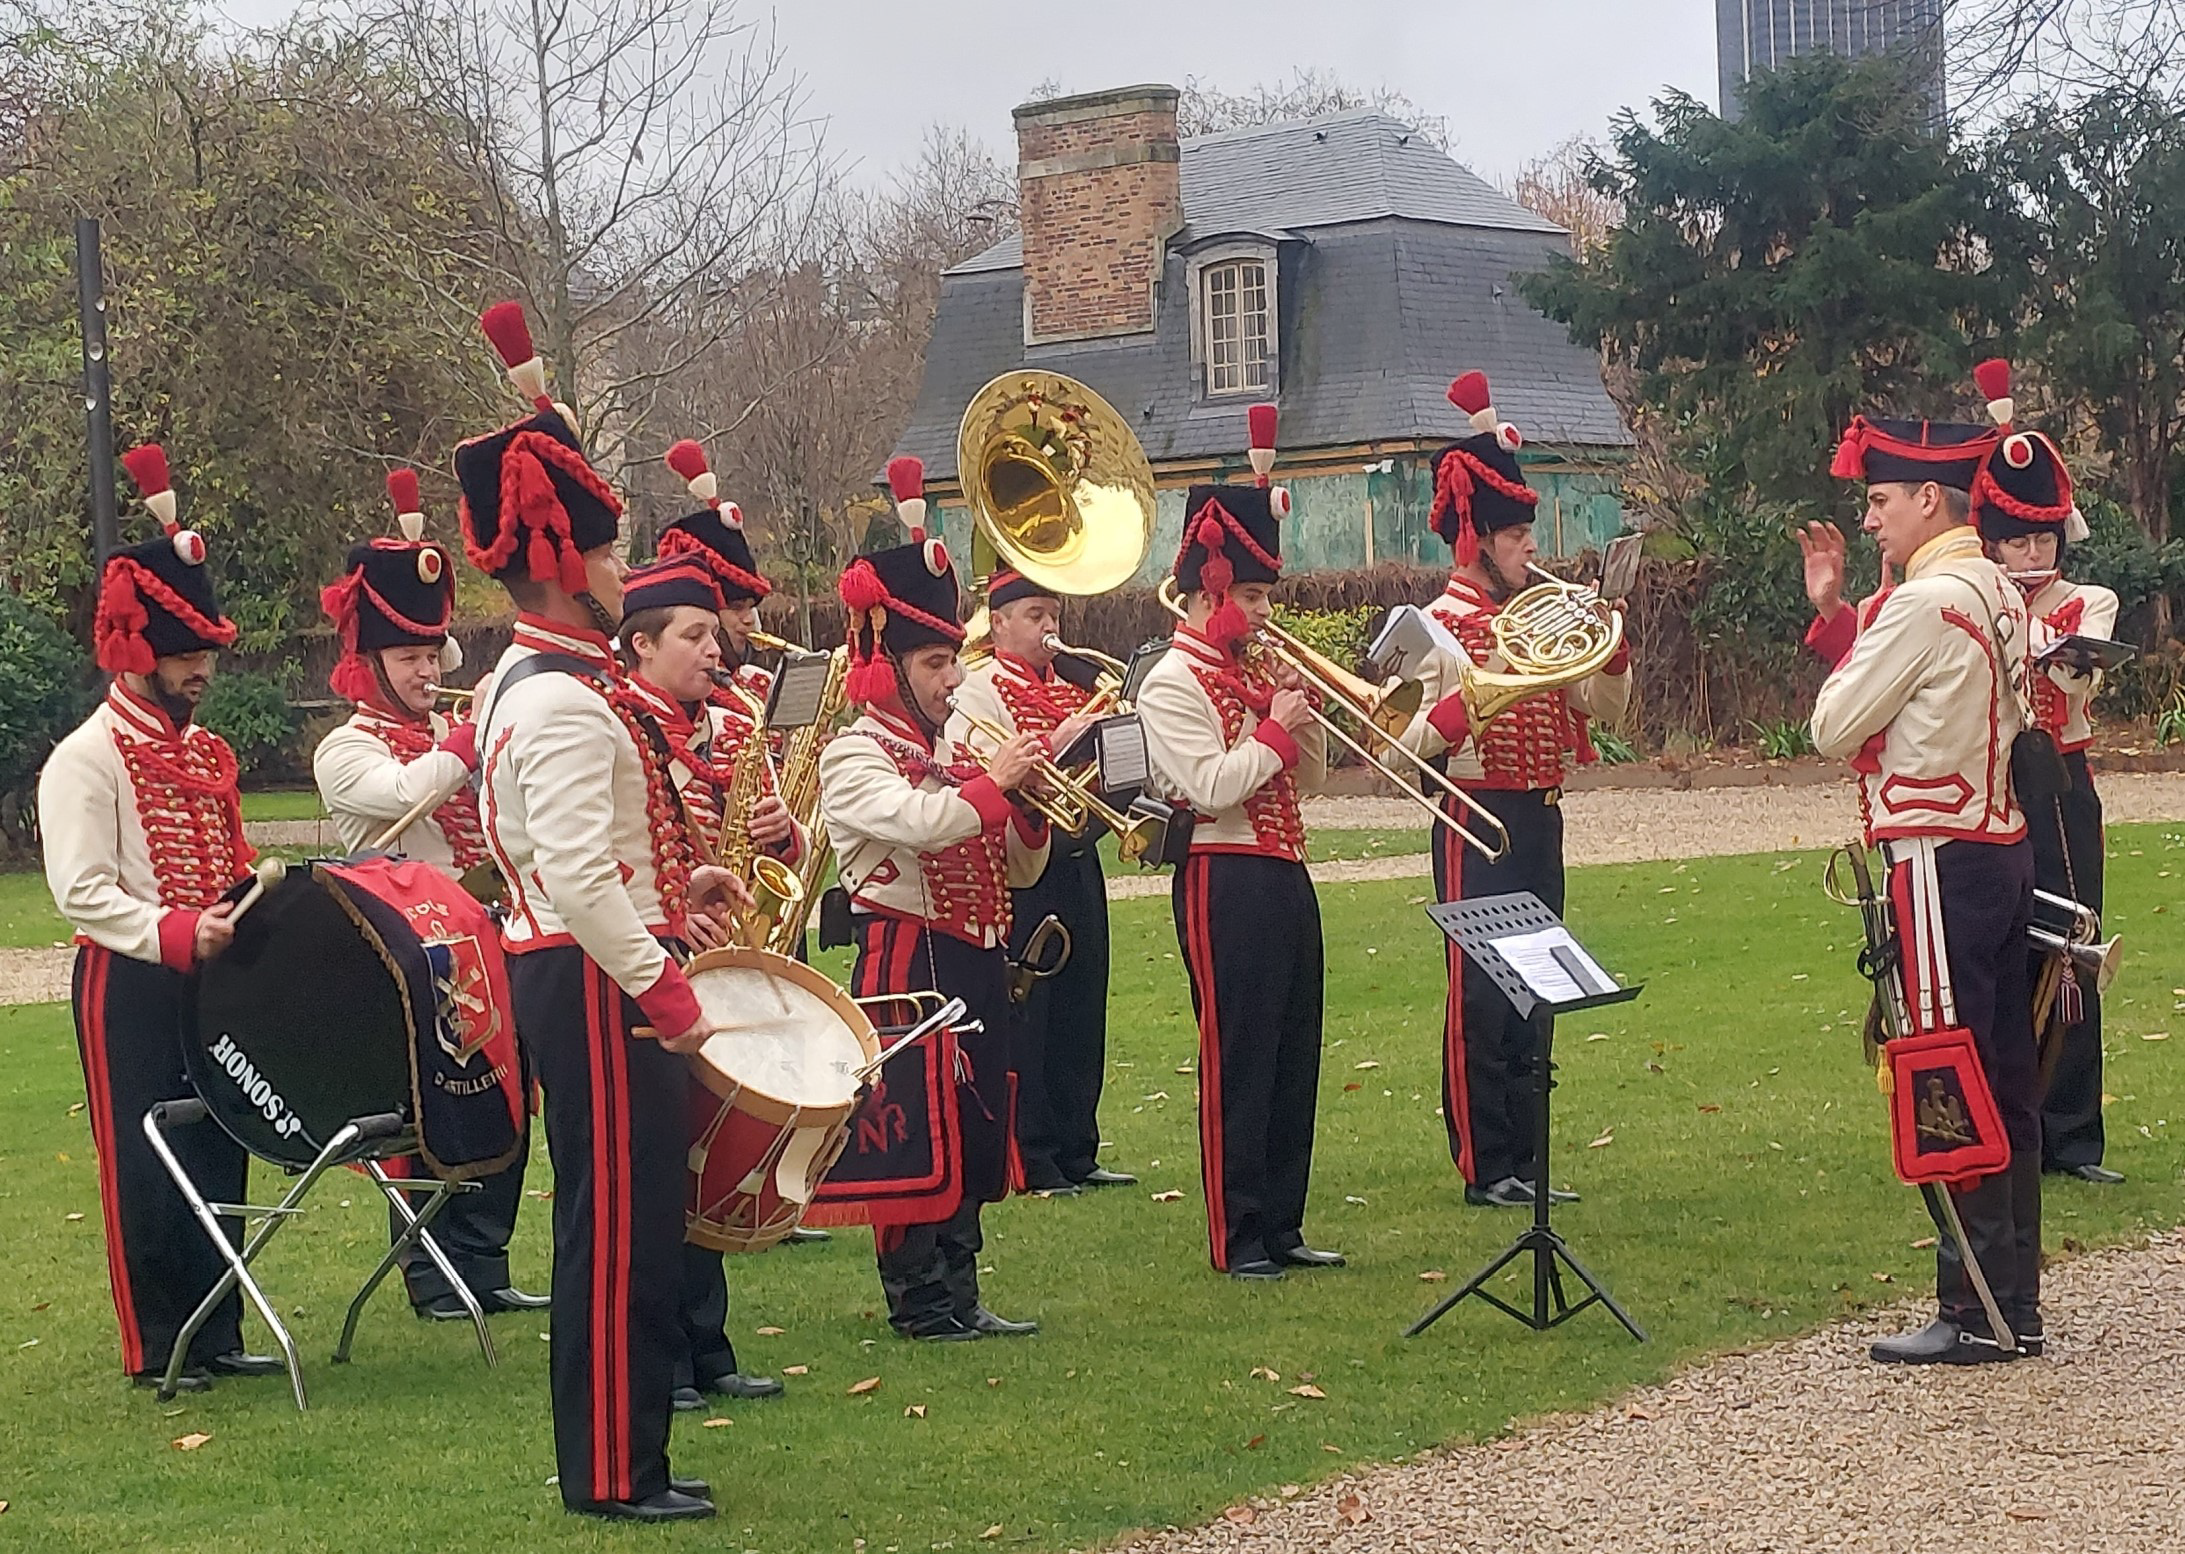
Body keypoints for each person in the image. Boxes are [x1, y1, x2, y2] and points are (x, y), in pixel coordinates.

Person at [457, 301, 747, 1521]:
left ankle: (623, 1460)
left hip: (573, 962)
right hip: (590, 979)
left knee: (616, 1222)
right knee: (618, 1228)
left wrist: (677, 890)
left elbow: (565, 855)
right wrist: (669, 991)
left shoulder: (531, 683)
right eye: (614, 559)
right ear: (566, 564)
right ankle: (617, 1475)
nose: (628, 578)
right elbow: (573, 876)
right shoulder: (567, 699)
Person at [38, 443, 281, 1391]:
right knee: (146, 1162)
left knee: (220, 1147)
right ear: (137, 649)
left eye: (206, 651)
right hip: (129, 976)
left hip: (214, 970)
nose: (201, 669)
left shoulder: (204, 747)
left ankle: (215, 1335)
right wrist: (174, 931)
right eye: (185, 652)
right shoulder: (85, 759)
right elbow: (82, 888)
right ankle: (157, 1349)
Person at [1807, 389, 2042, 1365]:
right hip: (1997, 850)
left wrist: (1847, 624)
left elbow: (1831, 727)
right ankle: (2010, 1298)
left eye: (1883, 502)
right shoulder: (1991, 587)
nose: (1868, 518)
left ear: (1931, 505)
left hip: (1936, 858)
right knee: (2003, 1075)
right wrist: (1839, 611)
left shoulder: (1924, 600)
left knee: (1943, 1071)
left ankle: (1973, 1307)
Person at [813, 456, 1049, 1340]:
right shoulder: (852, 754)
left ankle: (961, 1285)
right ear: (890, 665)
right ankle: (916, 1297)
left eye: (955, 658)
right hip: (905, 953)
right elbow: (918, 823)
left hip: (976, 950)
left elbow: (1011, 870)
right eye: (935, 662)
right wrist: (993, 785)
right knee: (917, 1121)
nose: (954, 679)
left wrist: (1026, 813)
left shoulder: (959, 748)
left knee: (979, 1112)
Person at [311, 468, 548, 1320]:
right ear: (370, 661)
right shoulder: (345, 749)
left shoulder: (445, 733)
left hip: (492, 936)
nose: (424, 671)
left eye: (428, 656)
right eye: (409, 658)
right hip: (413, 957)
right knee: (433, 1112)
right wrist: (472, 732)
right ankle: (428, 1270)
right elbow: (403, 792)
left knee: (512, 1105)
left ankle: (481, 1263)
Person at [1395, 372, 1632, 1209]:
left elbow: (1601, 711)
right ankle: (1484, 1161)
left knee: (1538, 988)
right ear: (1478, 542)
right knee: (1481, 992)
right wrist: (1474, 689)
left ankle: (1527, 1157)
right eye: (1516, 537)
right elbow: (1405, 748)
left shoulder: (1547, 610)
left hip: (1540, 811)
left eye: (1528, 534)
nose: (1531, 549)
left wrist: (1612, 655)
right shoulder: (1436, 628)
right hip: (1473, 814)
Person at [1133, 406, 1340, 1281]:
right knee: (1239, 1057)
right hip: (1222, 880)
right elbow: (1209, 788)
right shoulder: (1171, 681)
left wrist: (1306, 719)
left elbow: (1314, 781)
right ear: (1208, 592)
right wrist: (1274, 732)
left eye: (1264, 598)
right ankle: (1237, 1234)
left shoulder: (1254, 673)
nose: (1262, 613)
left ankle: (1284, 1224)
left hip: (1284, 873)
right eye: (1250, 597)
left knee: (1295, 1052)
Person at [611, 557, 795, 1409]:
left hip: (716, 947)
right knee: (658, 1170)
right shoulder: (623, 723)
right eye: (692, 635)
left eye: (714, 633)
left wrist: (778, 835)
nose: (713, 650)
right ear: (640, 645)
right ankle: (668, 1358)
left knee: (705, 1150)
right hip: (655, 960)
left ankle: (706, 1342)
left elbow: (750, 850)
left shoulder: (717, 727)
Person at [656, 438, 834, 1245]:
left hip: (742, 920)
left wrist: (786, 837)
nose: (740, 633)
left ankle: (753, 1198)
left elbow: (780, 824)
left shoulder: (738, 716)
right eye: (724, 619)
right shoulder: (631, 723)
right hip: (678, 943)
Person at [1964, 361, 2122, 1187]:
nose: (2030, 554)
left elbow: (2066, 672)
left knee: (2072, 950)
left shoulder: (2085, 599)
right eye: (2015, 541)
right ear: (1989, 542)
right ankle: (2005, 1124)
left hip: (2060, 785)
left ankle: (2072, 1133)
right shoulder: (1966, 594)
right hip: (1992, 786)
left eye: (2041, 540)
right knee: (2001, 952)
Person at [945, 570, 1133, 1195]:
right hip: (1022, 866)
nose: (1050, 626)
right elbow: (982, 768)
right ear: (997, 623)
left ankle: (1079, 1144)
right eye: (1033, 614)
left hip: (1079, 853)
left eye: (1052, 613)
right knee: (1036, 1008)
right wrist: (1058, 743)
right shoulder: (979, 688)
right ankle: (1035, 1153)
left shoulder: (1074, 683)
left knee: (1084, 1000)